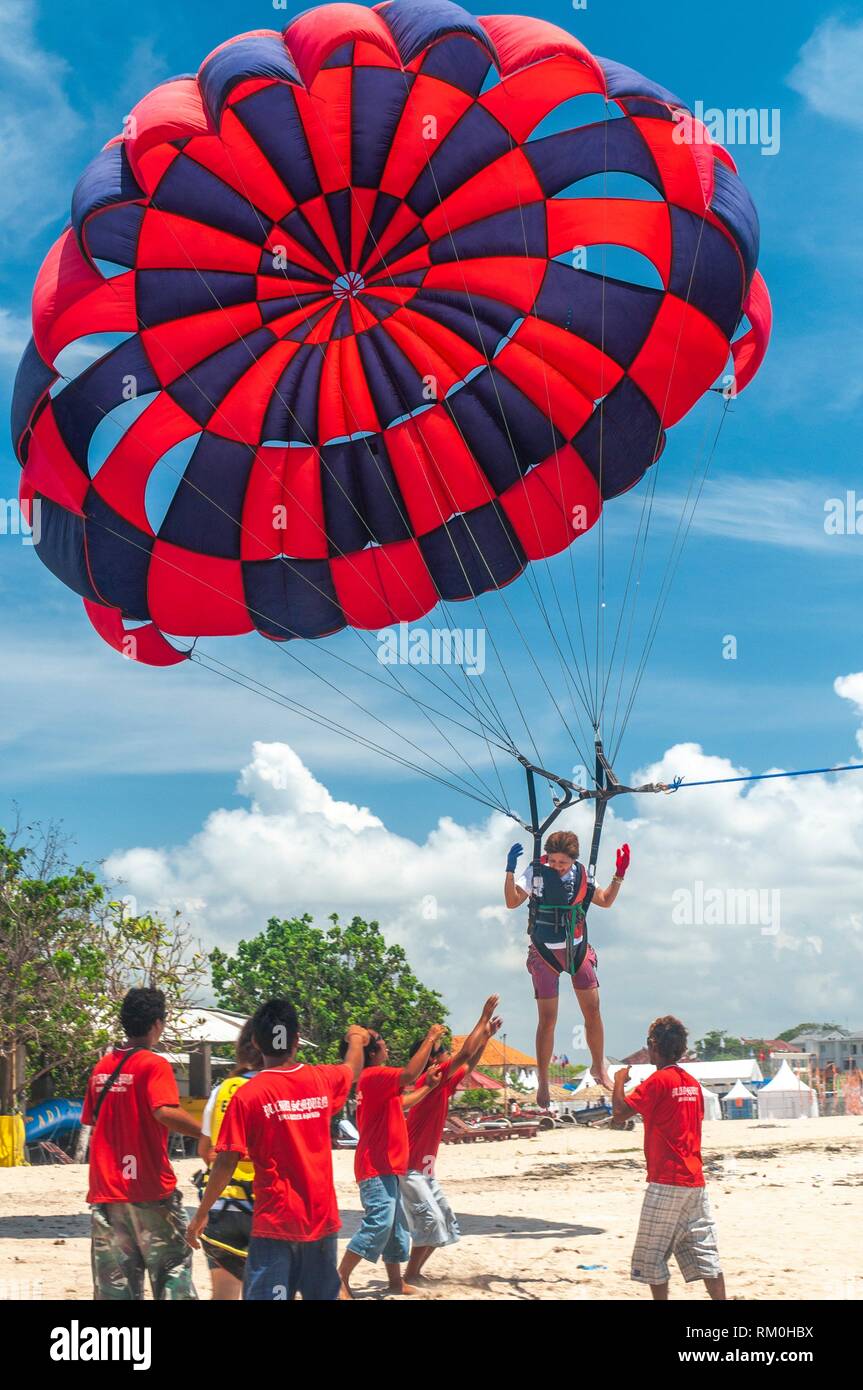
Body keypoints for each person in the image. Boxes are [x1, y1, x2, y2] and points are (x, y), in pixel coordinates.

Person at [187, 999, 366, 1301]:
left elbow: (224, 1163)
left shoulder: (247, 1096)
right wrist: (357, 1039)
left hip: (276, 1224)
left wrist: (201, 1215)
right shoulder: (321, 1079)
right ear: (296, 1040)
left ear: (256, 1041)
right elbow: (352, 1067)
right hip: (321, 1220)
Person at [82, 986, 202, 1300]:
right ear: (157, 1024)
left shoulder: (101, 1069)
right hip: (149, 1190)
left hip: (107, 1193)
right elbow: (163, 1111)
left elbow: (96, 1122)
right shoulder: (154, 1065)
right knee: (172, 1273)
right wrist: (206, 1135)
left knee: (115, 1288)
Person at [504, 830, 629, 1104]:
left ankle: (599, 1067)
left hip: (577, 949)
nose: (558, 867)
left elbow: (605, 901)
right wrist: (510, 871)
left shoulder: (582, 874)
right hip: (545, 952)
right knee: (548, 1020)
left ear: (573, 860)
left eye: (563, 863)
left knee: (593, 1010)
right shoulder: (536, 872)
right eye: (555, 862)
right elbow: (512, 901)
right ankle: (543, 1082)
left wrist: (619, 874)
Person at [611, 1015, 725, 1301]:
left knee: (652, 1257)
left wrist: (618, 1082)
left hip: (667, 1181)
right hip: (695, 1181)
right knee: (704, 1250)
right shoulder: (692, 1083)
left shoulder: (658, 1080)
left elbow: (620, 1113)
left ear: (653, 1045)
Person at [337, 1024, 446, 1298]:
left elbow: (403, 1102)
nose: (387, 1045)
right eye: (382, 1042)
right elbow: (410, 1073)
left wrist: (429, 1087)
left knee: (397, 1228)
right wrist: (430, 1038)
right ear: (372, 1052)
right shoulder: (374, 1075)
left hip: (387, 1165)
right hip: (375, 1166)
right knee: (380, 1223)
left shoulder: (374, 1079)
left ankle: (396, 1283)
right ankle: (339, 1277)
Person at [401, 996, 501, 1286]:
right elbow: (464, 1055)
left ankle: (413, 1273)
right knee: (431, 1222)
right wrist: (482, 1018)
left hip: (425, 1171)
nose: (449, 1057)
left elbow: (468, 1065)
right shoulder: (428, 1082)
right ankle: (408, 1274)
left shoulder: (440, 1085)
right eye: (444, 1053)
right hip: (410, 1170)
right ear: (433, 1060)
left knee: (444, 1223)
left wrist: (485, 1039)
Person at [195, 1019, 262, 1300]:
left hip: (221, 1204)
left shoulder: (224, 1089)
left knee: (223, 1295)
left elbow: (204, 1149)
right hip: (264, 1205)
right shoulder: (280, 1087)